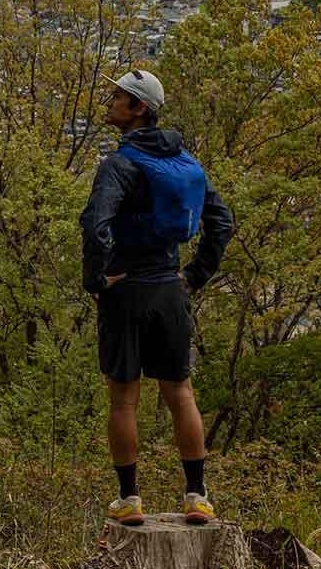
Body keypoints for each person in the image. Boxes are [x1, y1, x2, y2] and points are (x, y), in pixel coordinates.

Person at [81, 69, 235, 528]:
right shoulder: (186, 162)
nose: (109, 102)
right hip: (170, 287)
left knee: (123, 400)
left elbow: (96, 225)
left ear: (139, 109)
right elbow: (221, 223)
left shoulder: (119, 165)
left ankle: (129, 500)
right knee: (180, 393)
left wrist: (96, 280)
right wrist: (195, 275)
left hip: (126, 287)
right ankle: (197, 495)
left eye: (119, 97)